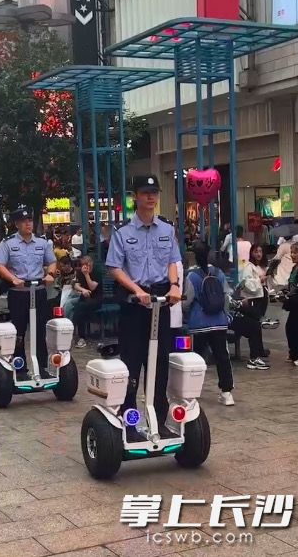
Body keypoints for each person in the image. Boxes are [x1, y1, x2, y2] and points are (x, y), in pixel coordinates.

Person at [106, 174, 182, 441]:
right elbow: (114, 267)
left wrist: (174, 285)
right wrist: (136, 290)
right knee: (133, 364)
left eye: (154, 192)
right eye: (145, 192)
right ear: (135, 196)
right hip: (134, 304)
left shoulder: (166, 230)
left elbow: (173, 260)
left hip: (161, 302)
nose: (151, 197)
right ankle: (131, 422)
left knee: (160, 363)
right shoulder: (123, 234)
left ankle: (158, 421)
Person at [0, 206, 57, 377]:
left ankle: (42, 367)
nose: (28, 224)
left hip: (38, 291)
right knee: (19, 331)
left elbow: (52, 261)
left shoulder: (43, 243)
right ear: (17, 224)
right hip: (19, 293)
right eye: (24, 221)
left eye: (30, 220)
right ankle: (20, 367)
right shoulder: (8, 244)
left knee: (40, 331)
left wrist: (50, 274)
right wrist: (13, 278)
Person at [183, 241, 234, 406]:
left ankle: (192, 392)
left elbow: (187, 301)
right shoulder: (218, 273)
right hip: (219, 322)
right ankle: (227, 392)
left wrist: (184, 314)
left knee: (196, 359)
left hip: (198, 324)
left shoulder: (192, 276)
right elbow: (226, 296)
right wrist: (226, 315)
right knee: (222, 357)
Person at [231, 244, 270, 370]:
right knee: (254, 325)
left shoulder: (262, 266)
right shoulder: (248, 267)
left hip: (260, 299)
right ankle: (255, 355)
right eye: (256, 251)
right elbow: (247, 283)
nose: (258, 254)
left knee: (256, 324)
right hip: (251, 301)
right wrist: (260, 280)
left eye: (260, 251)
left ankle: (258, 351)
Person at [72, 255, 102, 349]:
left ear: (91, 264)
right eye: (83, 264)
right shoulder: (80, 271)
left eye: (86, 264)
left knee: (80, 308)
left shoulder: (97, 271)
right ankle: (80, 336)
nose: (84, 267)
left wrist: (86, 275)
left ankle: (79, 335)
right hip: (84, 298)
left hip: (96, 298)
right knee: (79, 307)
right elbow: (76, 285)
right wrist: (83, 290)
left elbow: (92, 287)